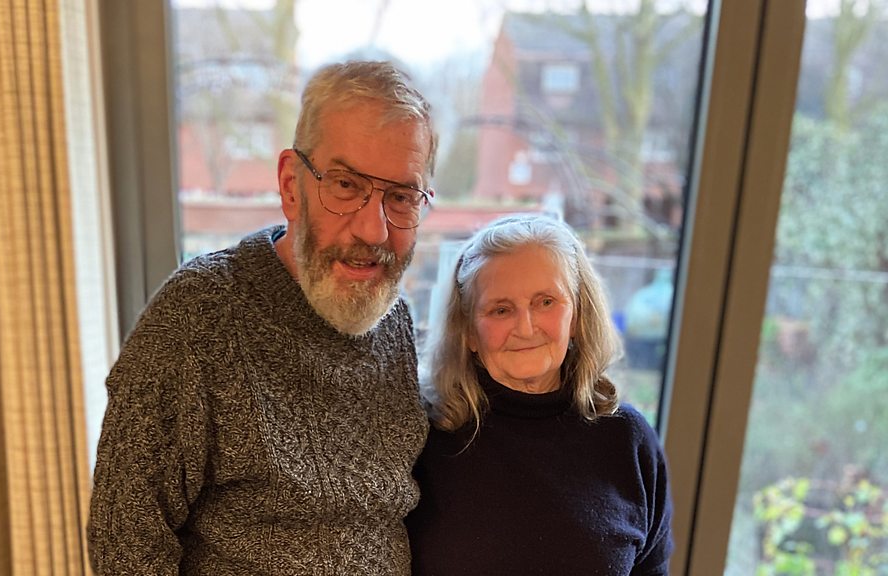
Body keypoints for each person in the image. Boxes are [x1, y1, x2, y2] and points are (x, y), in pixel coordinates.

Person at [87, 60, 437, 575]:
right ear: (292, 185)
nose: (374, 230)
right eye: (345, 185)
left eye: (401, 197)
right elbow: (126, 543)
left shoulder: (394, 319)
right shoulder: (198, 315)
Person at [406, 213, 674, 575]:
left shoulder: (627, 439)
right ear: (467, 332)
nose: (526, 327)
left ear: (576, 315)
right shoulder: (422, 435)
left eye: (546, 302)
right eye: (501, 310)